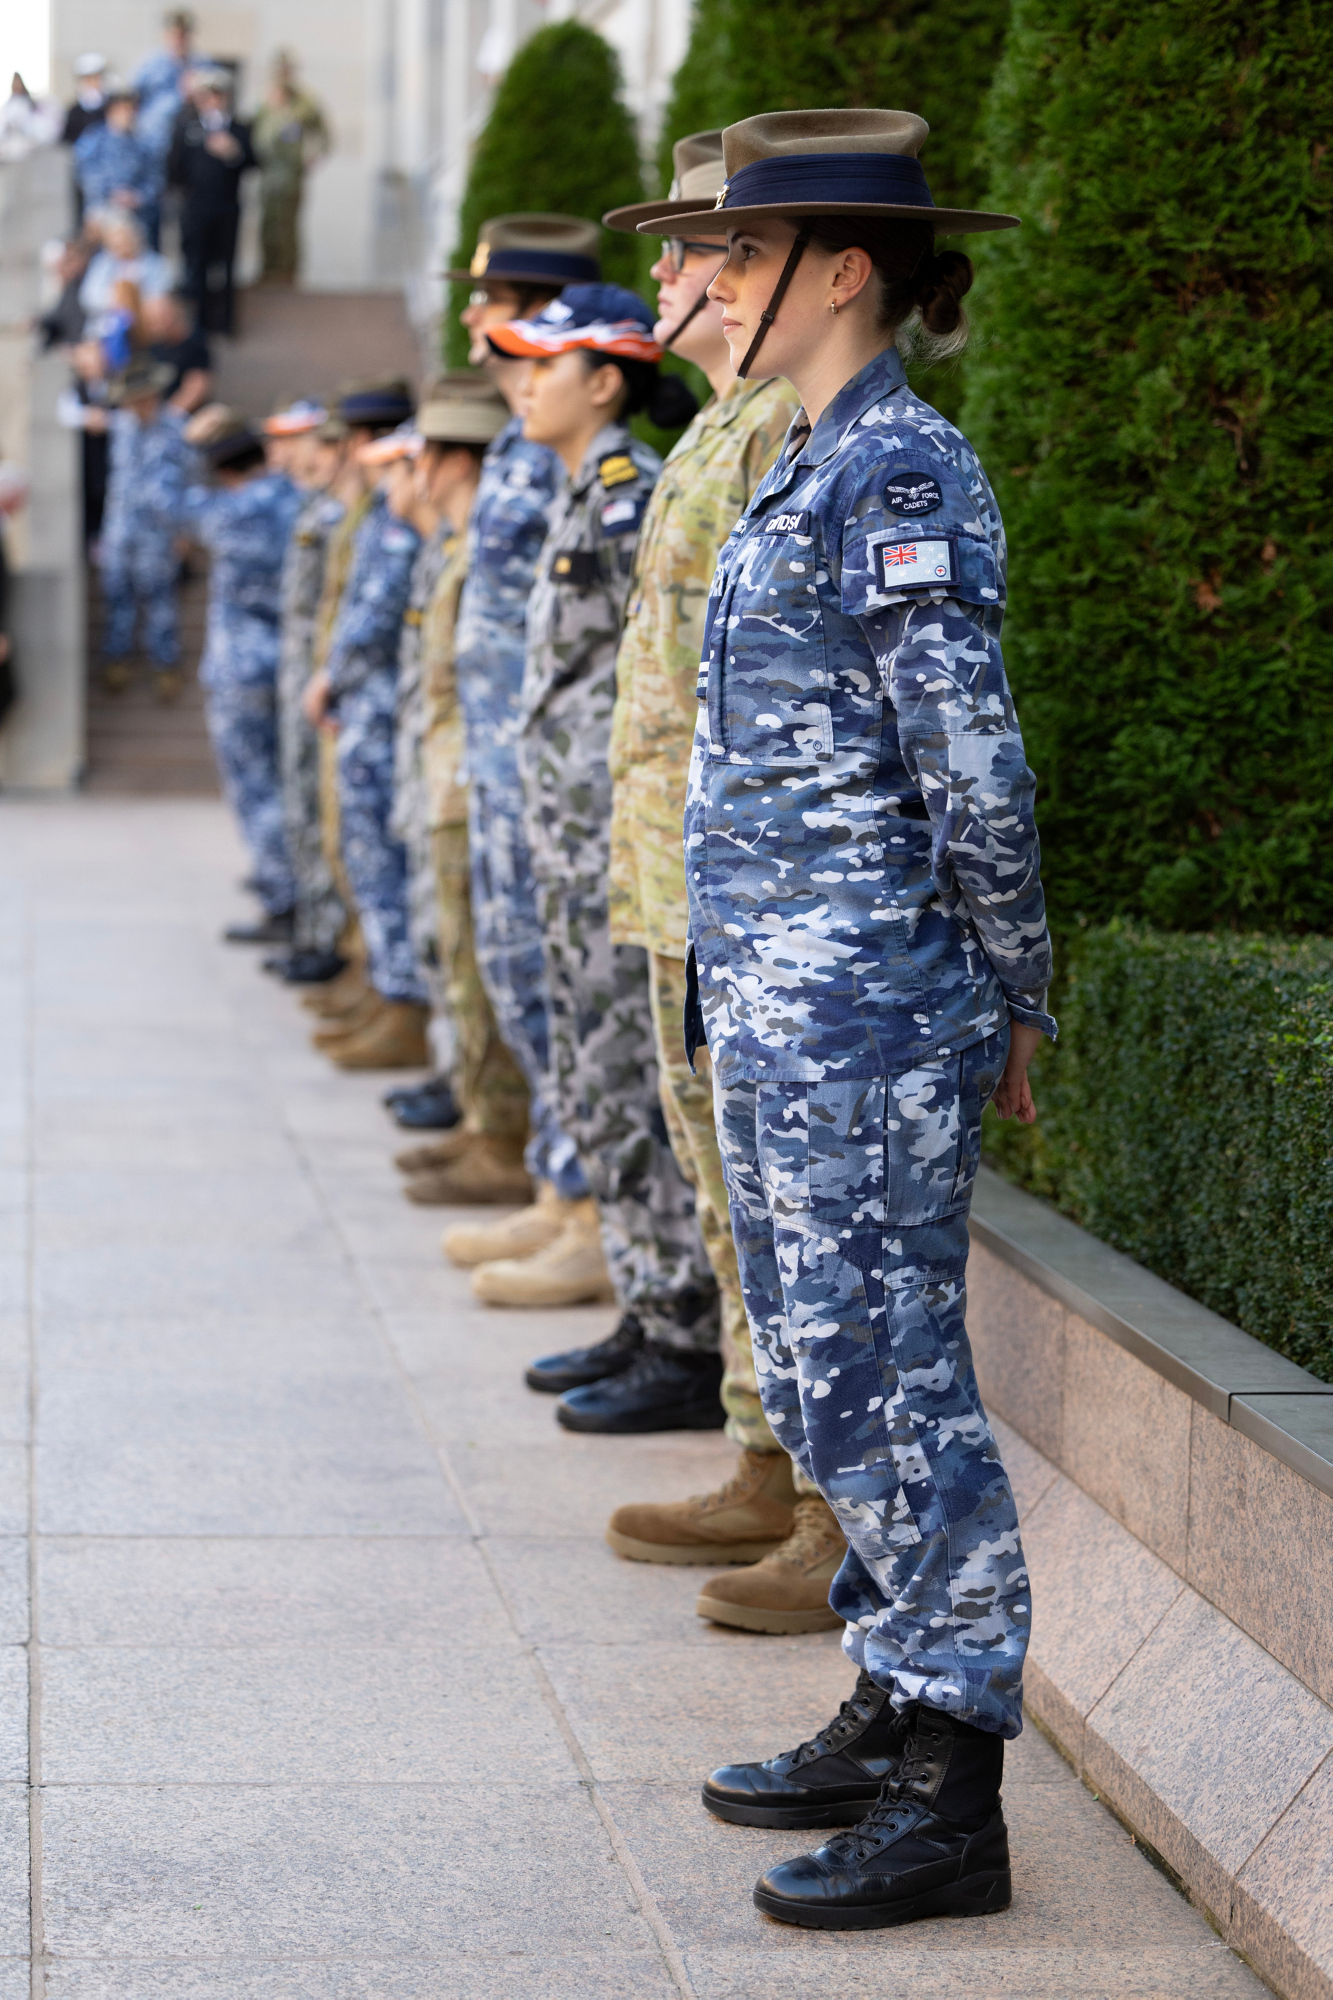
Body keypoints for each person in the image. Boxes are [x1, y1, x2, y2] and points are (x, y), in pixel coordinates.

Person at [655, 107, 1055, 1929]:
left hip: (867, 1013)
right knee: (822, 1367)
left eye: (737, 254)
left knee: (894, 1384)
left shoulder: (899, 472)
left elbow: (969, 765)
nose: (710, 283)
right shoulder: (802, 463)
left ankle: (950, 1789)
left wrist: (1012, 990)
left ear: (843, 271)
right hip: (778, 999)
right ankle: (893, 1697)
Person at [591, 135, 845, 1630]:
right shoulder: (719, 422)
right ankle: (760, 1454)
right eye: (690, 253)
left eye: (711, 251)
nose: (679, 279)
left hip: (749, 887)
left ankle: (817, 1493)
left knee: (774, 1199)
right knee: (714, 1176)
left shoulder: (786, 433)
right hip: (673, 871)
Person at [475, 282, 733, 1437]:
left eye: (548, 364)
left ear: (607, 381)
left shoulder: (628, 496)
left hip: (615, 835)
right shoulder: (589, 491)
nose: (525, 383)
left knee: (629, 1071)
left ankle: (679, 1326)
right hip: (573, 829)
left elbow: (663, 677)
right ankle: (647, 1301)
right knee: (588, 1058)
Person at [409, 218, 596, 1248]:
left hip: (540, 766)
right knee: (519, 981)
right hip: (494, 753)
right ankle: (551, 1187)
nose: (472, 317)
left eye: (489, 300)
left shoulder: (557, 440)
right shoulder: (521, 431)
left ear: (535, 308)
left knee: (552, 987)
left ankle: (576, 1203)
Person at [391, 376, 532, 1169]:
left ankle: (496, 1129)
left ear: (449, 463)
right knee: (458, 956)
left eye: (424, 454)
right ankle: (480, 1117)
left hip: (473, 779)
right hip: (448, 774)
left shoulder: (487, 541)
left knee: (480, 964)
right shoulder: (459, 542)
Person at [302, 411, 430, 1071]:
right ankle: (385, 989)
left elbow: (375, 615)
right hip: (369, 713)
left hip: (381, 715)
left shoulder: (405, 529)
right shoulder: (384, 518)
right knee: (366, 858)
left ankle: (402, 1001)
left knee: (385, 862)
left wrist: (333, 675)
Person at [183, 407, 303, 940]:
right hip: (289, 662)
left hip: (243, 669)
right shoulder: (294, 499)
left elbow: (163, 502)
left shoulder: (232, 510)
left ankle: (284, 899)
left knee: (257, 789)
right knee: (286, 784)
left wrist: (181, 439)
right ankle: (294, 891)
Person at [271, 407, 349, 986]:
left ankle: (329, 936)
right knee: (301, 804)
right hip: (302, 675)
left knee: (321, 811)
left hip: (324, 682)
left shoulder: (341, 513)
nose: (300, 456)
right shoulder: (315, 506)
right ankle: (315, 928)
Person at [97, 354, 195, 699]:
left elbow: (190, 480)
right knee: (117, 594)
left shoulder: (177, 428)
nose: (134, 405)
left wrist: (184, 532)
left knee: (161, 600)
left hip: (160, 531)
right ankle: (116, 659)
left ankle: (165, 665)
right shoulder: (122, 426)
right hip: (122, 528)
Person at [167, 68, 256, 335]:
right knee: (196, 265)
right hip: (196, 207)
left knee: (227, 266)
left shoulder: (239, 128)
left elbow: (253, 163)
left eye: (218, 96)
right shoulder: (187, 127)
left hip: (227, 207)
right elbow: (174, 167)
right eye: (207, 96)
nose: (213, 102)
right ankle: (199, 324)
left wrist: (233, 153)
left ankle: (227, 323)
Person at [251, 51, 330, 286]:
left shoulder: (304, 102)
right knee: (268, 224)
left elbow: (323, 135)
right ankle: (268, 270)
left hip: (290, 173)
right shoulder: (267, 101)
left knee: (287, 226)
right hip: (269, 173)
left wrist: (312, 156)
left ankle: (287, 274)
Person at [73, 87, 158, 226]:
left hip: (136, 213)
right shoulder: (94, 138)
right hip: (102, 209)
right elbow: (84, 173)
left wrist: (137, 197)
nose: (127, 115)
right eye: (121, 109)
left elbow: (154, 180)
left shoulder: (144, 143)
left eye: (131, 110)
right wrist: (111, 195)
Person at [134, 11, 196, 171]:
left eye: (183, 35)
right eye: (174, 34)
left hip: (189, 143)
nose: (179, 40)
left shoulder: (201, 63)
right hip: (155, 141)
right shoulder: (150, 64)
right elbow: (134, 98)